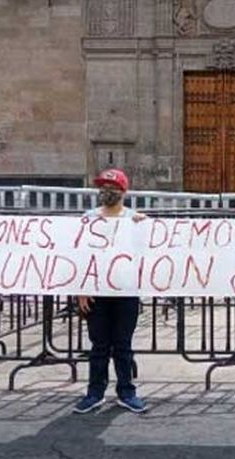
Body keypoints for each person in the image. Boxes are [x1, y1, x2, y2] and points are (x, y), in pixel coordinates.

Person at [74, 168, 147, 414]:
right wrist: (81, 290)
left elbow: (145, 253)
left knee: (123, 344)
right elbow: (81, 256)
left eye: (112, 187)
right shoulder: (89, 218)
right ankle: (95, 393)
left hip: (126, 291)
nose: (107, 191)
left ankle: (127, 392)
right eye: (103, 186)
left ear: (123, 192)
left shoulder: (134, 220)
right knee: (99, 345)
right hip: (97, 291)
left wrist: (145, 227)